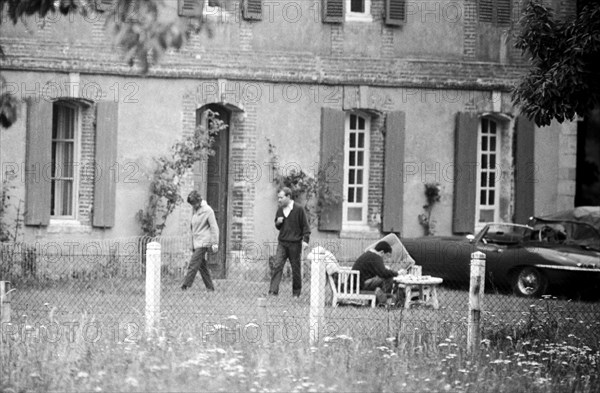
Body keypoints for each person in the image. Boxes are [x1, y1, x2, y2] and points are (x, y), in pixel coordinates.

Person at [268, 187, 311, 297]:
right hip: (282, 243)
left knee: (295, 269)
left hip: (295, 244)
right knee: (277, 265)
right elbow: (278, 226)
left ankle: (296, 293)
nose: (279, 200)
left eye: (281, 198)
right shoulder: (280, 209)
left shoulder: (299, 209)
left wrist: (305, 240)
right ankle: (273, 292)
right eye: (278, 198)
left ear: (288, 197)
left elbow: (306, 227)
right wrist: (278, 222)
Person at [181, 190, 219, 292]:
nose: (193, 206)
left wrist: (215, 243)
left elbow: (214, 227)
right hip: (196, 242)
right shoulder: (195, 211)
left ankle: (185, 286)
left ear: (199, 200)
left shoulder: (208, 211)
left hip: (204, 242)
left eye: (194, 203)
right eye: (192, 204)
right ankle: (210, 288)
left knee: (193, 264)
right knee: (202, 266)